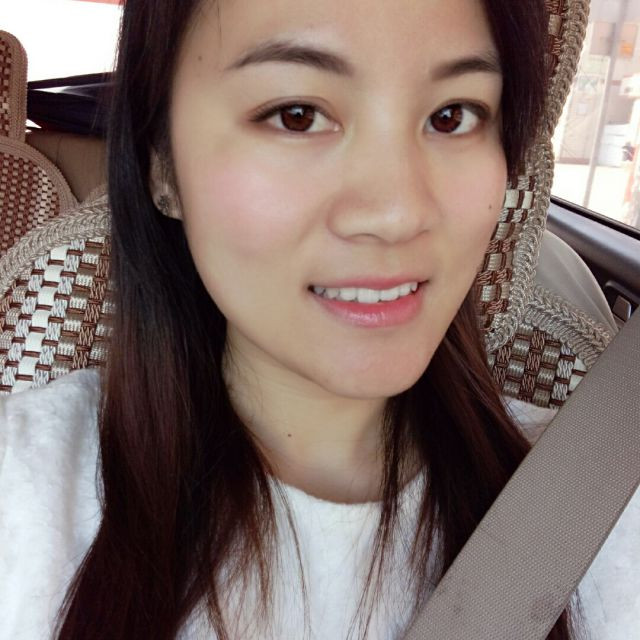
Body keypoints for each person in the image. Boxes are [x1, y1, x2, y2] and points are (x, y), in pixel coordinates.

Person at [0, 0, 614, 638]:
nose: (397, 214)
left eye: (452, 116)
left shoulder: (607, 504)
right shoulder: (19, 488)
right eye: (297, 115)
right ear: (163, 166)